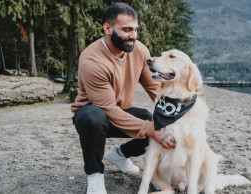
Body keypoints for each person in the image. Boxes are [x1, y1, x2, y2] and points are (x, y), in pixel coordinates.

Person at [71, 2, 175, 194]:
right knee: (93, 117)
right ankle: (94, 175)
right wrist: (152, 131)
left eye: (135, 29)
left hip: (120, 110)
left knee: (152, 120)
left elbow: (155, 89)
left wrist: (175, 116)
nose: (133, 36)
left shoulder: (139, 50)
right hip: (93, 113)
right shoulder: (92, 60)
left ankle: (119, 155)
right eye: (126, 30)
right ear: (107, 28)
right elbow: (108, 109)